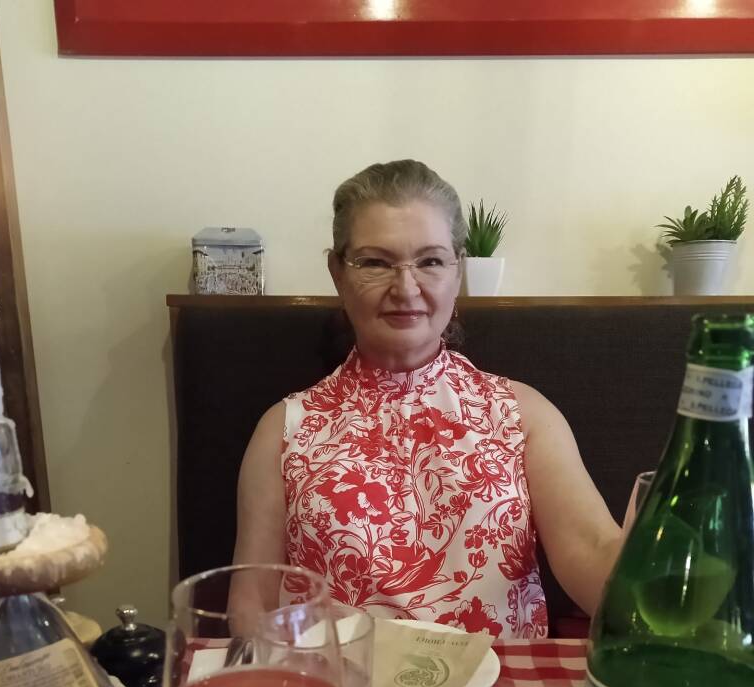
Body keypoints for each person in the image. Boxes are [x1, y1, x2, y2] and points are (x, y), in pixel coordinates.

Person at [234, 160, 622, 637]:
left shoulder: (522, 415)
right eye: (375, 263)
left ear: (457, 271)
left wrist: (667, 561)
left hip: (497, 678)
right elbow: (252, 600)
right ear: (337, 272)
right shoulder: (284, 429)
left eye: (431, 261)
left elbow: (593, 551)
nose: (406, 288)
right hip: (343, 677)